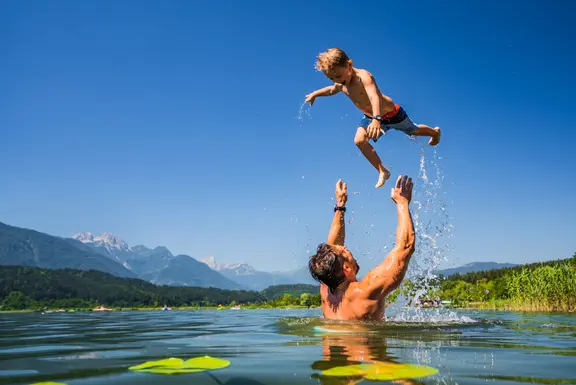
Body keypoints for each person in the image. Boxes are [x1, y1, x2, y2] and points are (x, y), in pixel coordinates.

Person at [305, 48, 441, 188]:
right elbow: (331, 90)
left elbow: (373, 96)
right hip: (371, 117)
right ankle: (383, 171)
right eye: (331, 78)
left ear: (349, 65)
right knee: (359, 140)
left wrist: (377, 119)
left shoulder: (363, 76)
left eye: (338, 76)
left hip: (390, 114)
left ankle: (435, 132)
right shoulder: (341, 83)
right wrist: (315, 94)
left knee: (413, 131)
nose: (336, 80)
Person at [308, 175, 415, 321]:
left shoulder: (327, 290)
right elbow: (405, 247)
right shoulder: (366, 291)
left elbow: (333, 247)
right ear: (346, 268)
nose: (344, 247)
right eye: (344, 251)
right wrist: (402, 202)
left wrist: (340, 205)